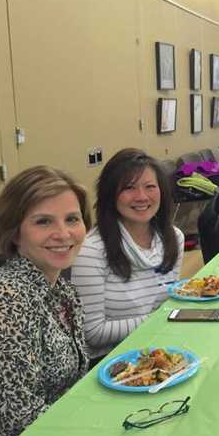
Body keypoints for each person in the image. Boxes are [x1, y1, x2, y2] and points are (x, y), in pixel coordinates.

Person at [0, 166, 91, 436]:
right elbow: (16, 417)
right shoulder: (3, 299)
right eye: (43, 221)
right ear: (15, 231)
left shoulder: (61, 289)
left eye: (72, 219)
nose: (63, 234)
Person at [71, 148, 184, 361]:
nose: (141, 197)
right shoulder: (91, 250)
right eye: (129, 188)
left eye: (150, 186)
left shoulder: (173, 238)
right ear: (110, 194)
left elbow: (168, 301)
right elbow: (92, 332)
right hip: (111, 361)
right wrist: (160, 318)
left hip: (160, 347)